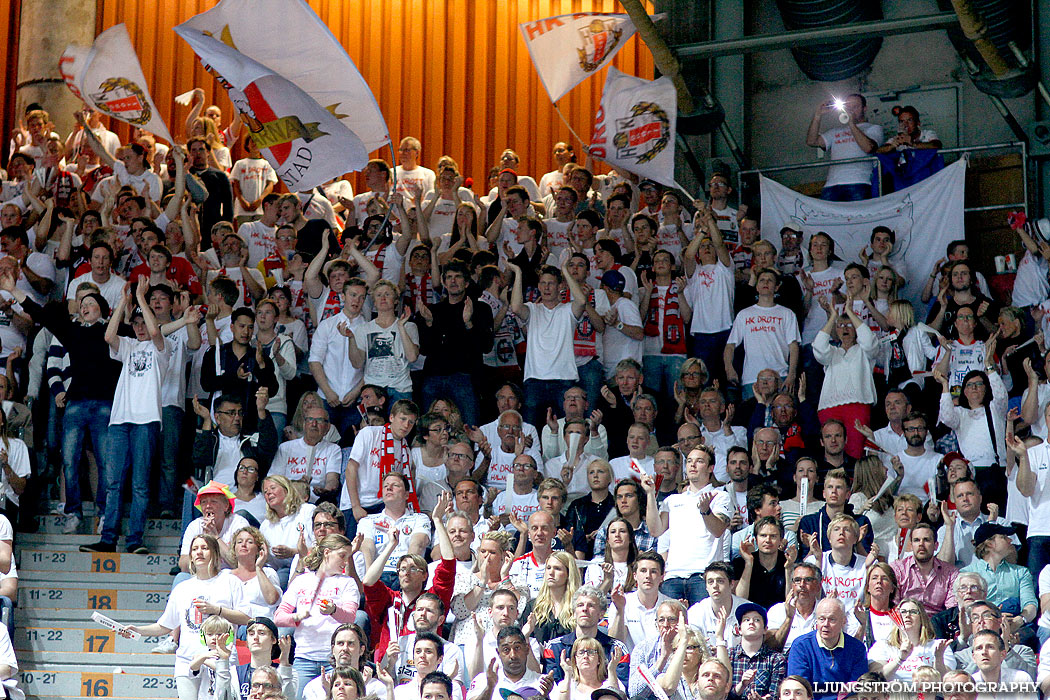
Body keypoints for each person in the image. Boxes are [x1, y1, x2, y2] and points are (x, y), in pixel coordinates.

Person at [124, 534, 250, 700]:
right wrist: (138, 630)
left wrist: (217, 610)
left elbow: (247, 618)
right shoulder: (183, 588)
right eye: (195, 549)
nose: (199, 552)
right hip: (187, 660)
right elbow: (165, 625)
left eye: (204, 548)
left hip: (220, 658)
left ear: (214, 553)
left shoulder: (230, 581)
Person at [275, 534, 360, 695]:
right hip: (303, 657)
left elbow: (351, 617)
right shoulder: (301, 581)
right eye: (342, 556)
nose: (345, 561)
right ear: (327, 552)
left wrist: (334, 610)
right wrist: (296, 617)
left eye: (348, 557)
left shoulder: (347, 582)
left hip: (335, 660)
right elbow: (278, 617)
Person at [647, 445, 731, 605]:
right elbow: (655, 530)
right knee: (671, 627)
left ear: (711, 468)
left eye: (699, 461)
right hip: (672, 577)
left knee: (702, 627)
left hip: (704, 576)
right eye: (689, 461)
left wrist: (706, 510)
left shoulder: (720, 496)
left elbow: (718, 530)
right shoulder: (672, 500)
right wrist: (651, 494)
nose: (692, 465)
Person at [508, 261, 585, 428]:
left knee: (569, 429)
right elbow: (515, 307)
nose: (547, 287)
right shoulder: (532, 309)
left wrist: (565, 270)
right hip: (535, 380)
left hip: (564, 380)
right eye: (543, 283)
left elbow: (581, 301)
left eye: (551, 283)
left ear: (560, 286)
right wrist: (518, 273)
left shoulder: (567, 310)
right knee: (530, 431)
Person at [417, 261, 494, 426]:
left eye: (458, 277)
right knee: (428, 430)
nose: (453, 281)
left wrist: (469, 323)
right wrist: (429, 323)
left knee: (468, 428)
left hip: (465, 377)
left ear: (466, 283)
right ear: (444, 283)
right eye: (449, 277)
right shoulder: (433, 311)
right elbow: (424, 349)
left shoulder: (480, 308)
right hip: (434, 376)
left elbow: (486, 346)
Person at [341, 399, 419, 538]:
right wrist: (356, 506)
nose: (406, 425)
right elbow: (351, 468)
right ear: (391, 417)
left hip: (382, 505)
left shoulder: (405, 450)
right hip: (356, 502)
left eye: (411, 422)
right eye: (402, 419)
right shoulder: (369, 433)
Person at [813, 298, 878, 458]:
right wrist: (832, 317)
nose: (845, 329)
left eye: (849, 325)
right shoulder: (832, 353)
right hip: (829, 407)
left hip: (858, 406)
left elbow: (869, 341)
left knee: (856, 451)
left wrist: (850, 312)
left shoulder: (864, 352)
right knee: (832, 453)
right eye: (840, 326)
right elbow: (819, 348)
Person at [724, 268, 800, 398]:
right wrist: (729, 368)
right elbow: (730, 345)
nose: (766, 283)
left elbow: (793, 346)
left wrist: (791, 374)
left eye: (770, 280)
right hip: (751, 378)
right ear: (757, 286)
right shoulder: (744, 314)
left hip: (780, 376)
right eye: (762, 280)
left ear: (776, 287)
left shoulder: (787, 314)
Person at [542, 585, 630, 685]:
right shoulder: (554, 647)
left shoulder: (616, 649)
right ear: (574, 613)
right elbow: (552, 689)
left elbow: (622, 689)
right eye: (580, 605)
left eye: (591, 605)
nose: (585, 609)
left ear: (601, 613)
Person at [961, 521, 1037, 633]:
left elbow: (1031, 605)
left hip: (1015, 626)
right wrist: (993, 618)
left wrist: (1019, 620)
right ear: (990, 544)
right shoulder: (967, 574)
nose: (1010, 540)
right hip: (981, 628)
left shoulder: (1021, 572)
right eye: (1004, 537)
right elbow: (965, 608)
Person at [358, 473, 432, 588]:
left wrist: (405, 574)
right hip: (378, 575)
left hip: (407, 576)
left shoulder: (419, 518)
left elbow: (418, 544)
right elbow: (367, 548)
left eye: (395, 485)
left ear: (407, 494)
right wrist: (371, 581)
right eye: (385, 486)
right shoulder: (368, 521)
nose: (389, 488)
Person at [785, 598, 868, 700]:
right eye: (821, 619)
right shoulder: (801, 646)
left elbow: (857, 687)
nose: (825, 624)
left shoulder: (856, 648)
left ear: (844, 621)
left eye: (832, 619)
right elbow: (799, 687)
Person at [804, 94, 883, 201]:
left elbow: (868, 148)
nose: (851, 110)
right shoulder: (836, 131)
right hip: (831, 184)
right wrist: (818, 115)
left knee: (857, 216)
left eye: (855, 107)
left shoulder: (873, 128)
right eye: (848, 107)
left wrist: (851, 124)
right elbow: (812, 141)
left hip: (858, 182)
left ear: (864, 109)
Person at [269, 404, 342, 504]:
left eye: (319, 420)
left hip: (317, 501)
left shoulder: (333, 449)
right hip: (289, 499)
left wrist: (327, 490)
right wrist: (296, 485)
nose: (314, 424)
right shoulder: (286, 447)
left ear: (327, 427)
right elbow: (274, 480)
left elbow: (332, 479)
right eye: (310, 419)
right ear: (304, 424)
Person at [868, 597, 953, 681]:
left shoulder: (939, 646)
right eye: (903, 612)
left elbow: (946, 681)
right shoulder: (882, 646)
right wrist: (900, 659)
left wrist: (938, 659)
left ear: (922, 618)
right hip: (893, 693)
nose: (907, 615)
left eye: (913, 612)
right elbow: (876, 679)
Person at [259, 474, 317, 588]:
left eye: (272, 488)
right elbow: (268, 563)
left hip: (310, 566)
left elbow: (322, 545)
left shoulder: (307, 511)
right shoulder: (266, 525)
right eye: (265, 492)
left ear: (286, 490)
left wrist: (293, 552)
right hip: (280, 571)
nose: (268, 493)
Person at [465, 626, 554, 700]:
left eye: (517, 648)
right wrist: (490, 688)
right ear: (498, 653)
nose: (513, 655)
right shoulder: (483, 680)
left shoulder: (544, 682)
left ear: (527, 649)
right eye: (506, 650)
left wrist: (546, 697)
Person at [797, 469, 874, 553]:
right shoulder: (809, 522)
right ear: (824, 493)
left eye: (839, 487)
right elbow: (803, 563)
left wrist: (858, 543)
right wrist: (812, 549)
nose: (834, 491)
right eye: (830, 487)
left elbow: (867, 562)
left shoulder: (861, 522)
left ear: (848, 494)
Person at [890, 521, 958, 616]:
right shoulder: (898, 569)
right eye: (916, 540)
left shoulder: (950, 573)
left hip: (937, 625)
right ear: (912, 545)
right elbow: (893, 607)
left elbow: (952, 611)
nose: (921, 544)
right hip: (905, 621)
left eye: (926, 540)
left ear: (936, 546)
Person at [726, 602, 787, 699]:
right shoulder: (728, 655)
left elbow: (776, 696)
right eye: (746, 620)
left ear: (765, 629)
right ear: (739, 630)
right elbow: (721, 695)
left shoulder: (776, 659)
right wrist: (741, 685)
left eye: (757, 620)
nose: (751, 622)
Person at [733, 515, 792, 611]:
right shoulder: (741, 563)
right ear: (756, 538)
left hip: (781, 616)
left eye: (773, 536)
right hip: (750, 615)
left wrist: (788, 569)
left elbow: (791, 601)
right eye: (763, 535)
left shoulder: (788, 561)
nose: (767, 540)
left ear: (781, 540)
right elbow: (740, 599)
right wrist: (749, 563)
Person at [767, 561, 823, 653]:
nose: (802, 584)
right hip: (784, 663)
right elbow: (772, 648)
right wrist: (789, 618)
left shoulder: (824, 610)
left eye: (808, 580)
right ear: (792, 585)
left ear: (818, 586)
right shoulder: (777, 610)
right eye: (797, 580)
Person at [228, 527, 281, 619]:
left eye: (249, 542)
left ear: (259, 549)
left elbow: (272, 600)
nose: (243, 545)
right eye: (239, 542)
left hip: (261, 623)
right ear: (234, 548)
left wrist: (258, 568)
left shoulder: (268, 573)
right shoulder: (225, 576)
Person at [551, 636, 622, 700]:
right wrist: (568, 675)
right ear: (575, 659)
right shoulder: (567, 684)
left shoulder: (611, 683)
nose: (585, 656)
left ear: (599, 659)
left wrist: (611, 670)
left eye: (591, 652)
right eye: (581, 652)